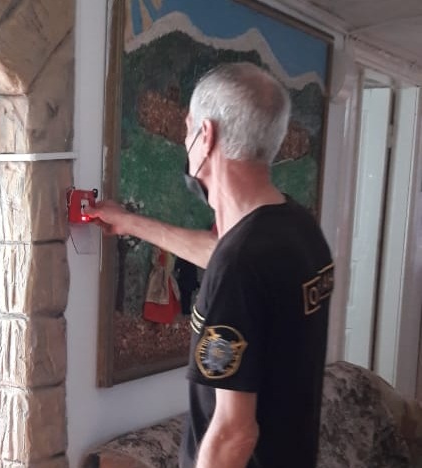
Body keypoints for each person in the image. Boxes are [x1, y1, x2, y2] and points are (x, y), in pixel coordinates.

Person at [87, 62, 333, 468]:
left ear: (207, 135)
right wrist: (128, 222)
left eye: (187, 129)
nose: (185, 142)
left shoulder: (242, 263)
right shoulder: (298, 228)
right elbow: (222, 254)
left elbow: (235, 432)